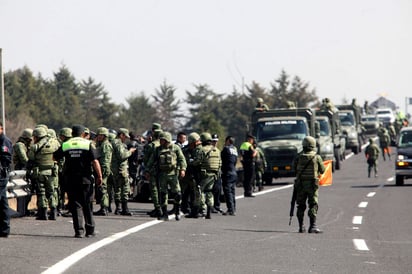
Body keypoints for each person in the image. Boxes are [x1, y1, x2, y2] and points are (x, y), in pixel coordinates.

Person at [53, 125, 103, 238]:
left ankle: (78, 231)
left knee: (75, 205)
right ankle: (90, 230)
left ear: (72, 133)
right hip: (85, 179)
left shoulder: (66, 144)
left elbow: (55, 157)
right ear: (82, 134)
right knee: (87, 204)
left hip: (71, 179)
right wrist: (99, 176)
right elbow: (95, 161)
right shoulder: (87, 144)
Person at [145, 132, 187, 221]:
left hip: (173, 174)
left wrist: (183, 169)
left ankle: (177, 210)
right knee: (163, 194)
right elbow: (151, 161)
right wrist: (147, 171)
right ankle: (164, 214)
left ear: (167, 140)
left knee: (177, 193)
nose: (160, 141)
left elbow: (181, 159)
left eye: (162, 140)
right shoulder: (157, 149)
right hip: (162, 175)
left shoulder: (175, 148)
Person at [293, 136, 325, 233]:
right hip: (312, 185)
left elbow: (294, 168)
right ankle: (313, 226)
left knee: (300, 205)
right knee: (313, 205)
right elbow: (322, 170)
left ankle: (301, 227)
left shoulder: (298, 157)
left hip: (300, 185)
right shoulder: (317, 157)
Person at [28, 127, 60, 220]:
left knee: (41, 192)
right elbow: (60, 157)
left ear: (37, 136)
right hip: (52, 172)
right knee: (52, 192)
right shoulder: (56, 143)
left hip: (40, 173)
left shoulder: (35, 147)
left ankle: (43, 214)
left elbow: (31, 158)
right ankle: (54, 212)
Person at [111, 128, 136, 215]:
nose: (125, 139)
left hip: (116, 169)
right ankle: (124, 209)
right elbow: (122, 156)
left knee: (117, 189)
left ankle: (118, 209)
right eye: (125, 137)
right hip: (120, 170)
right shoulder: (118, 143)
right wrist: (130, 151)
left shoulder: (114, 142)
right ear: (121, 135)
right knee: (125, 189)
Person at [198, 132, 221, 219]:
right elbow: (220, 163)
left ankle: (203, 209)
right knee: (209, 192)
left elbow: (197, 161)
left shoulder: (202, 150)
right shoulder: (217, 150)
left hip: (204, 174)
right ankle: (209, 209)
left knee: (201, 191)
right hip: (214, 174)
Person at [143, 123, 163, 218]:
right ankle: (162, 208)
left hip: (153, 171)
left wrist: (147, 170)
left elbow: (146, 160)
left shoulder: (151, 145)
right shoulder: (167, 144)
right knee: (162, 190)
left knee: (154, 190)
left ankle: (157, 208)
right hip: (164, 171)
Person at [182, 132, 203, 218]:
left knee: (196, 193)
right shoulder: (188, 149)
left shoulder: (200, 150)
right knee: (186, 191)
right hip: (189, 174)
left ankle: (196, 210)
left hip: (197, 174)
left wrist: (190, 161)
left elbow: (195, 162)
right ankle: (186, 208)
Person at [93, 127, 113, 216]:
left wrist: (102, 170)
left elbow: (105, 160)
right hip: (102, 168)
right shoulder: (101, 144)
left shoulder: (105, 145)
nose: (98, 137)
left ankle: (104, 208)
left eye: (100, 135)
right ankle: (104, 207)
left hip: (103, 168)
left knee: (103, 188)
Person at [0, 123, 13, 237]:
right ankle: (4, 229)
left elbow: (6, 158)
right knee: (3, 203)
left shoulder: (4, 141)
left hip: (1, 175)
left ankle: (4, 228)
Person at [221, 136, 238, 216]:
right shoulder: (234, 150)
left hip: (227, 172)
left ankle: (230, 209)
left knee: (228, 192)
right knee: (232, 191)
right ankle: (233, 208)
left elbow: (221, 159)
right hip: (234, 172)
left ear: (228, 141)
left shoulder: (226, 149)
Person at [210, 133, 223, 213]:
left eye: (216, 141)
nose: (215, 143)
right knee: (210, 191)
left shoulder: (218, 151)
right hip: (210, 173)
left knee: (218, 190)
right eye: (213, 141)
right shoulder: (208, 150)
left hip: (217, 173)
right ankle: (210, 207)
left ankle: (217, 206)